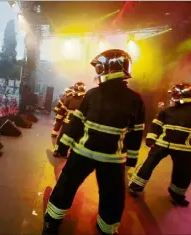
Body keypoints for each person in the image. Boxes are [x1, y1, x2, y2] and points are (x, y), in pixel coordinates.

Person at [42, 49, 145, 235]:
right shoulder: (132, 99)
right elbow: (135, 134)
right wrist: (131, 159)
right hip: (109, 160)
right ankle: (104, 229)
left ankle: (52, 223)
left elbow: (77, 124)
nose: (97, 72)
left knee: (68, 187)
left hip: (87, 154)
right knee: (111, 197)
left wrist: (64, 145)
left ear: (110, 68)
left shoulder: (98, 95)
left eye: (99, 67)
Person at [128, 83, 191, 207]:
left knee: (184, 172)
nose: (172, 97)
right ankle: (135, 186)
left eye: (174, 94)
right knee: (148, 165)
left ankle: (177, 195)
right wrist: (151, 139)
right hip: (163, 144)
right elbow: (156, 125)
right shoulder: (166, 111)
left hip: (181, 148)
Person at [53, 82, 86, 157]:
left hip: (78, 124)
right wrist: (58, 119)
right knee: (62, 137)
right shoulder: (70, 98)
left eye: (75, 89)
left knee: (75, 140)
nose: (73, 91)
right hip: (68, 123)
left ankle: (71, 153)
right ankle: (57, 150)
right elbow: (63, 110)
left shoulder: (85, 100)